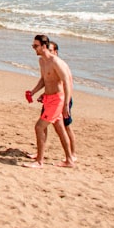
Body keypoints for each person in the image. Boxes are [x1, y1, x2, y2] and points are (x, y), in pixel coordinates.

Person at [25, 34, 74, 167]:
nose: (34, 48)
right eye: (33, 46)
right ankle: (69, 160)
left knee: (39, 127)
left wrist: (66, 105)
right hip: (48, 98)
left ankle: (39, 161)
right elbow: (44, 79)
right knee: (60, 129)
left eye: (36, 46)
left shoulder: (56, 62)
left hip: (57, 99)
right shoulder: (42, 61)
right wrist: (34, 92)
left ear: (44, 46)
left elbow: (67, 83)